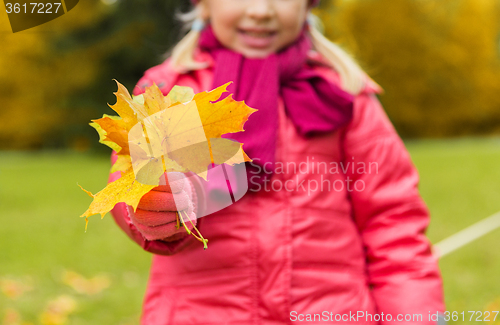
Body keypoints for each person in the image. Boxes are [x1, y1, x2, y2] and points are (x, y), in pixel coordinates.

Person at [109, 0, 447, 324]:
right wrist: (156, 207)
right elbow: (129, 190)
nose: (261, 11)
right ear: (204, 3)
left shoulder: (342, 94)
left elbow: (393, 225)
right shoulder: (167, 94)